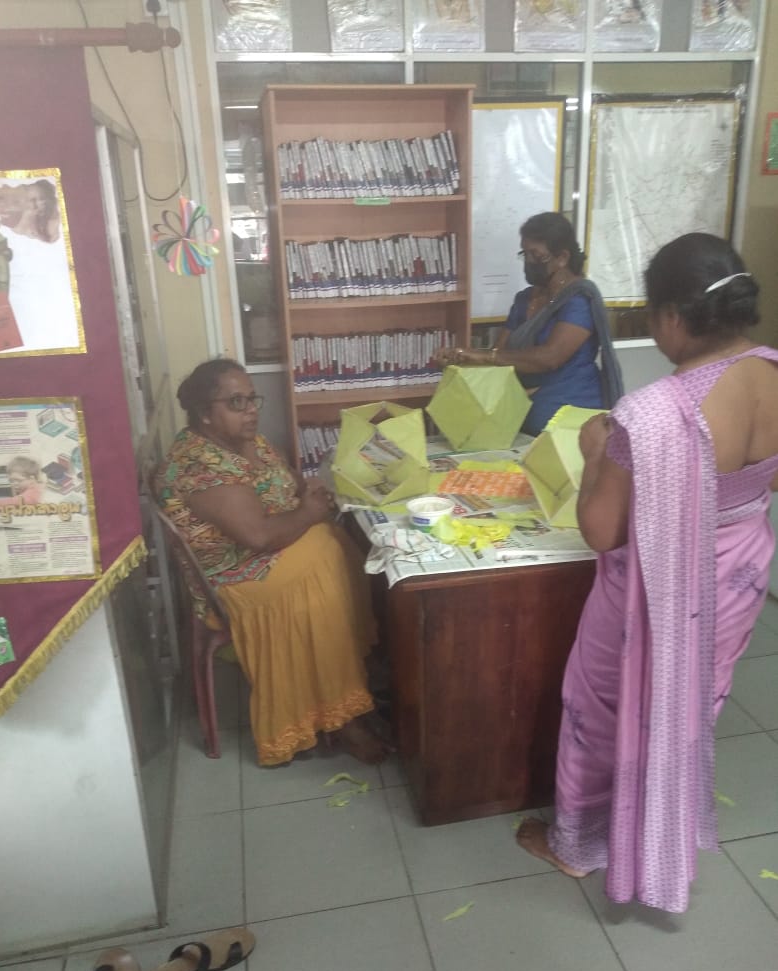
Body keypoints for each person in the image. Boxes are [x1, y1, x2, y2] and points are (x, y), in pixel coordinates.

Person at [517, 232, 778, 913]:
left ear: (669, 316)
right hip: (739, 572)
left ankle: (579, 844)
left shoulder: (651, 415)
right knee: (690, 703)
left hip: (653, 591)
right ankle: (657, 820)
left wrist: (596, 451)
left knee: (602, 709)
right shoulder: (774, 373)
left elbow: (602, 531)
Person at [155, 359, 389, 767]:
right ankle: (343, 716)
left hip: (267, 549)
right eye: (236, 402)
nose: (251, 410)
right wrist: (309, 514)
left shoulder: (243, 439)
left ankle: (351, 672)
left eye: (251, 398)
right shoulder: (199, 466)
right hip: (234, 576)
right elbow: (258, 538)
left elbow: (287, 479)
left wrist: (307, 489)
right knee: (323, 568)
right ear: (205, 414)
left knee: (340, 545)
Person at [435, 212, 623, 435]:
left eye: (536, 255)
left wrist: (483, 355)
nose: (529, 263)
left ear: (562, 257)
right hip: (522, 422)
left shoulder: (578, 300)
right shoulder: (525, 300)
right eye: (525, 254)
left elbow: (550, 357)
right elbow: (500, 355)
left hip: (572, 426)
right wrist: (460, 359)